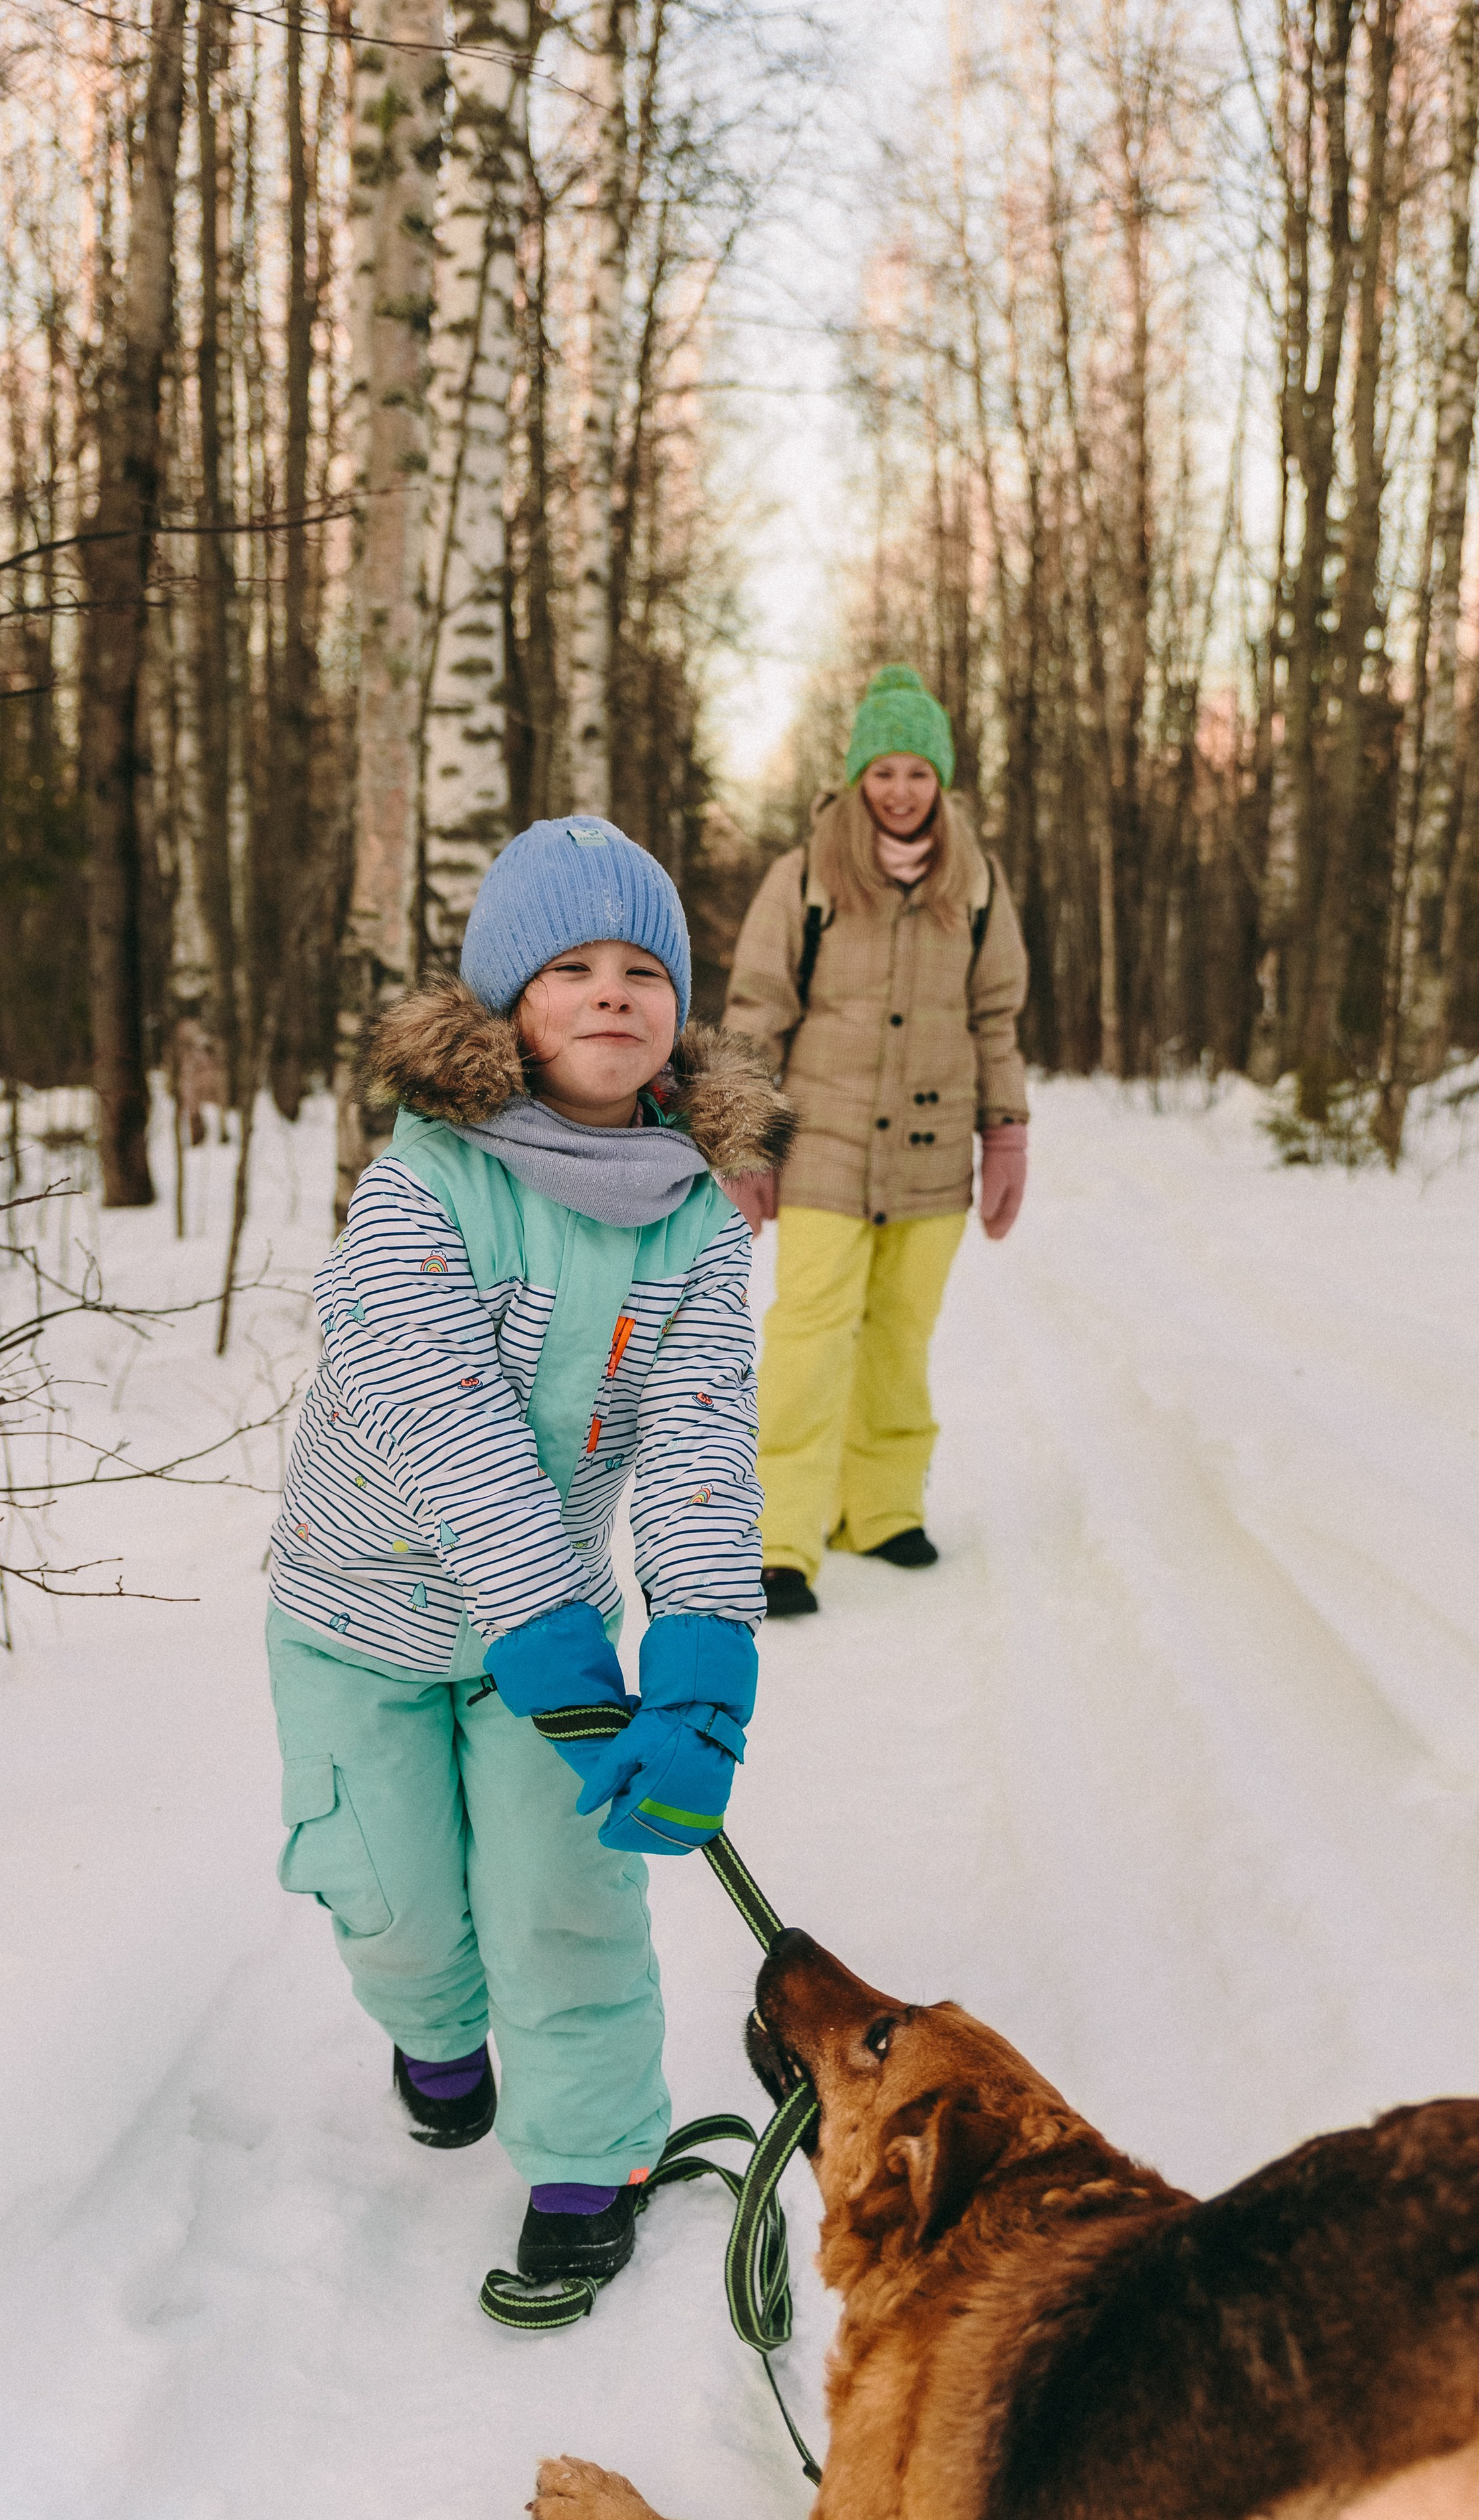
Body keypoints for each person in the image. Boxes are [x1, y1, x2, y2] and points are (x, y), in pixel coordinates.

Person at [266, 817, 792, 2290]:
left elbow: (695, 1440)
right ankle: (433, 2033)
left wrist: (698, 1662)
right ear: (506, 1007)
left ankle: (586, 2152)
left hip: (541, 1650)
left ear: (678, 1010)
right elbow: (444, 1417)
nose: (612, 991)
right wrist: (549, 1620)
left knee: (564, 1901)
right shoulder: (420, 1185)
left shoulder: (695, 1217)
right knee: (394, 1902)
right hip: (355, 1617)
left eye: (643, 968)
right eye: (569, 967)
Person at [722, 664, 1030, 1619]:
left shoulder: (975, 881)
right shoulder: (806, 874)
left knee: (900, 1337)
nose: (901, 790)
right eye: (884, 771)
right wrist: (742, 1142)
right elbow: (756, 1012)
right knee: (810, 1340)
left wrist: (1007, 1133)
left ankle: (882, 1509)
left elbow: (997, 1015)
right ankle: (780, 1538)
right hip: (823, 1150)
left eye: (918, 772)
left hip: (935, 1156)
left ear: (942, 782)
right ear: (858, 778)